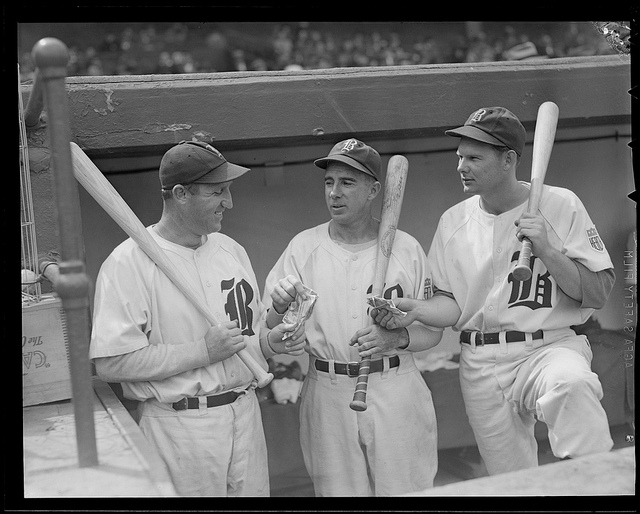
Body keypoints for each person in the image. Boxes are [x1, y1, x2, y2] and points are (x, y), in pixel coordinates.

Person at [373, 106, 616, 475]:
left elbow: (599, 292)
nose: (461, 166)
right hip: (480, 361)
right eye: (459, 157)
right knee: (509, 479)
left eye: (474, 158)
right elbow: (452, 304)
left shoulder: (560, 204)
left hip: (547, 348)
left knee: (572, 384)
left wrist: (547, 250)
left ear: (508, 160)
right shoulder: (453, 221)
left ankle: (599, 483)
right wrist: (417, 310)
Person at [89, 140, 307, 496]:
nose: (229, 202)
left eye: (228, 190)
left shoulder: (231, 250)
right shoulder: (127, 263)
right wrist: (201, 352)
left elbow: (243, 342)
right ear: (180, 194)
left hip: (246, 414)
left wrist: (270, 342)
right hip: (181, 425)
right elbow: (111, 364)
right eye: (217, 191)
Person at [263, 138, 443, 496]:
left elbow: (433, 331)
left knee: (408, 492)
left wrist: (397, 337)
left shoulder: (406, 248)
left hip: (394, 383)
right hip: (326, 387)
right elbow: (270, 326)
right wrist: (279, 309)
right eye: (329, 182)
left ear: (374, 190)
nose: (335, 193)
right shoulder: (303, 247)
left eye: (347, 182)